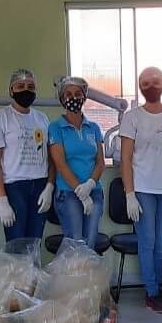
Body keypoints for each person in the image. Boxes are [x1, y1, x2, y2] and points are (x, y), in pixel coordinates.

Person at [119, 66, 162, 314]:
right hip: (143, 190)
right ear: (140, 87)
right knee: (147, 241)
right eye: (145, 82)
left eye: (155, 81)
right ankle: (151, 292)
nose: (151, 85)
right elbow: (125, 159)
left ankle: (157, 286)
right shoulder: (132, 117)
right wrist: (129, 194)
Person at [0, 68, 54, 242]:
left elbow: (51, 157)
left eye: (31, 86)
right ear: (11, 90)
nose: (26, 90)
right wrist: (2, 200)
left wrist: (49, 187)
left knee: (34, 243)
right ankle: (18, 271)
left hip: (40, 185)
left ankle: (33, 271)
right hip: (14, 187)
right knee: (16, 245)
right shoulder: (0, 118)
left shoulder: (42, 119)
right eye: (20, 86)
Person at [48, 76, 105, 249]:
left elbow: (100, 162)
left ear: (84, 97)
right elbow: (60, 164)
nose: (73, 97)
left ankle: (88, 277)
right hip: (68, 193)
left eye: (78, 93)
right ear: (62, 98)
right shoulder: (55, 128)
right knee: (75, 243)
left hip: (94, 191)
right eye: (68, 94)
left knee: (90, 244)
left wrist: (89, 184)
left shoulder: (93, 128)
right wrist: (81, 192)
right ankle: (71, 278)